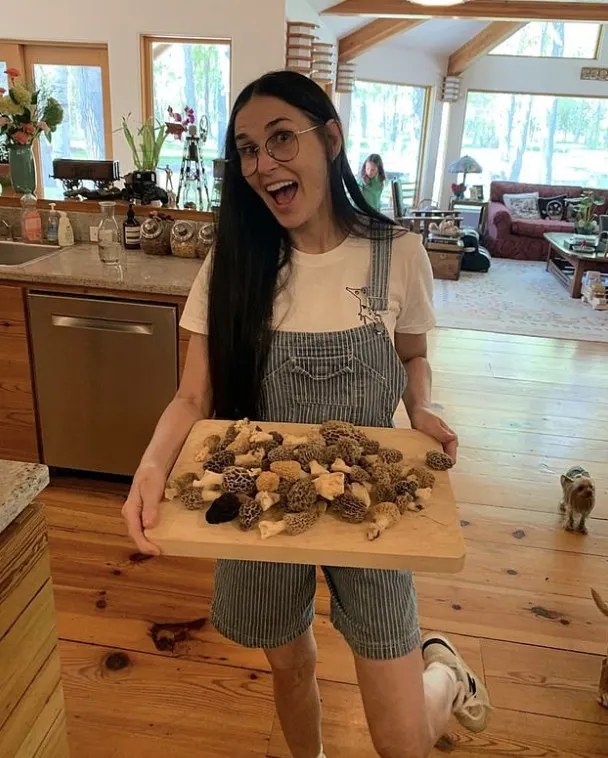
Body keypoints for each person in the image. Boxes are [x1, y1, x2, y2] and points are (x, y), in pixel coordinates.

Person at [122, 70, 491, 758]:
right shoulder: (234, 263)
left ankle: (445, 674)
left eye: (281, 138)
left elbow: (413, 357)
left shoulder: (397, 254)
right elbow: (192, 398)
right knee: (291, 667)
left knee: (403, 742)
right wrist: (148, 467)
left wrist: (424, 406)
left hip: (370, 501)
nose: (264, 163)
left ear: (332, 139)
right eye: (248, 150)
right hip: (262, 506)